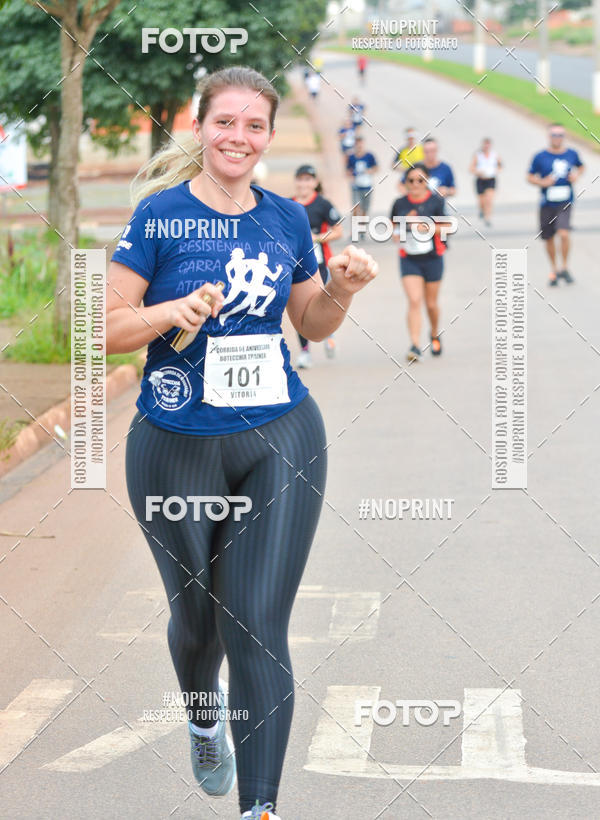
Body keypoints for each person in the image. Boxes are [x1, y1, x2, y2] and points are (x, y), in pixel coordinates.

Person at [106, 66, 377, 820]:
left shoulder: (286, 219)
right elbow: (105, 329)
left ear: (268, 136)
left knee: (254, 621)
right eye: (225, 121)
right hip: (176, 445)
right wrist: (172, 310)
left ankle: (260, 807)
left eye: (254, 126)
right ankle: (204, 718)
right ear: (199, 128)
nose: (239, 137)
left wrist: (343, 289)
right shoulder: (160, 217)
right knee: (199, 623)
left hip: (279, 435)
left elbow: (310, 322)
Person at [390, 162, 450, 363]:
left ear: (427, 181)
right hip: (409, 258)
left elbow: (447, 227)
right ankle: (415, 345)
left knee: (431, 304)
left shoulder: (436, 201)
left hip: (432, 257)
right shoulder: (400, 204)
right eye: (411, 180)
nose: (415, 184)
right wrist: (400, 229)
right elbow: (392, 228)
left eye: (420, 180)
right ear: (405, 183)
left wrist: (427, 227)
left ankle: (434, 333)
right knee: (415, 300)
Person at [292, 164, 343, 367]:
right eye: (300, 179)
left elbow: (338, 231)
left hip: (319, 262)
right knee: (299, 308)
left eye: (308, 179)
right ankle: (305, 352)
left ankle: (328, 334)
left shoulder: (322, 204)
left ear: (315, 182)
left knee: (321, 302)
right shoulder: (288, 204)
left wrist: (317, 238)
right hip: (295, 263)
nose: (304, 184)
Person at [527, 122, 584, 285]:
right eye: (554, 135)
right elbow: (529, 176)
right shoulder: (540, 156)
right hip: (547, 203)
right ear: (549, 136)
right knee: (549, 237)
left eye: (560, 135)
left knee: (564, 233)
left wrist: (576, 175)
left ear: (564, 137)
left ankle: (565, 266)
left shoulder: (571, 154)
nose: (557, 138)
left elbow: (581, 167)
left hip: (565, 201)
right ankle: (554, 269)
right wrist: (542, 182)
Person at [346, 135, 378, 239]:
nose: (359, 146)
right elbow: (348, 170)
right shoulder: (351, 157)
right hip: (356, 186)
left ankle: (362, 230)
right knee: (356, 208)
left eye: (360, 144)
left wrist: (369, 171)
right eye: (357, 144)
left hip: (367, 186)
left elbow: (376, 167)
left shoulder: (369, 156)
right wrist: (352, 175)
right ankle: (354, 231)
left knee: (364, 209)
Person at [469, 137, 502, 226]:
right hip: (481, 179)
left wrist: (497, 170)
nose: (486, 147)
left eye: (488, 145)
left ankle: (488, 217)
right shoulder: (478, 155)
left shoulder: (494, 155)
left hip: (490, 179)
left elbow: (500, 165)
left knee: (489, 199)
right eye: (485, 145)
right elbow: (471, 168)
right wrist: (477, 172)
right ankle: (482, 210)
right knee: (482, 201)